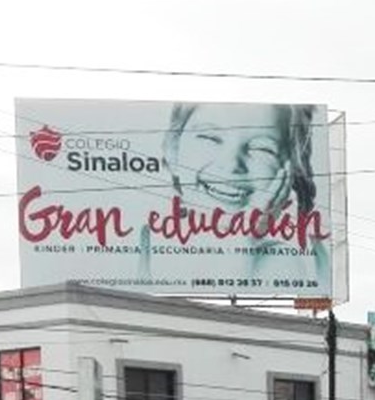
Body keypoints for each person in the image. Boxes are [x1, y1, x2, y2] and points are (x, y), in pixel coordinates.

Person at [138, 102, 330, 295]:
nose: (231, 164)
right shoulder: (139, 246)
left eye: (262, 149)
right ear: (173, 151)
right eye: (210, 138)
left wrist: (244, 237)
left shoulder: (293, 260)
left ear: (291, 169)